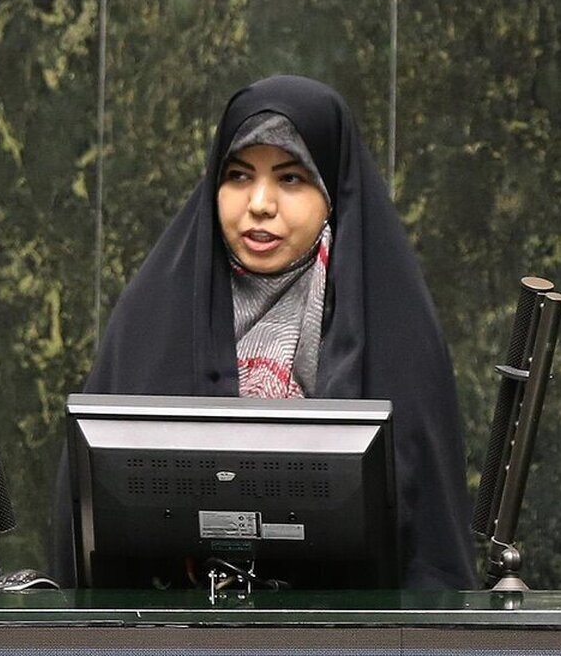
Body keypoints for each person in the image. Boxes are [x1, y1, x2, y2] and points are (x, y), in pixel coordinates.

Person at [54, 75, 475, 590]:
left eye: (290, 178)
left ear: (332, 193)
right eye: (237, 176)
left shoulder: (395, 328)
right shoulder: (152, 317)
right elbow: (88, 521)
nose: (259, 203)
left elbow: (428, 542)